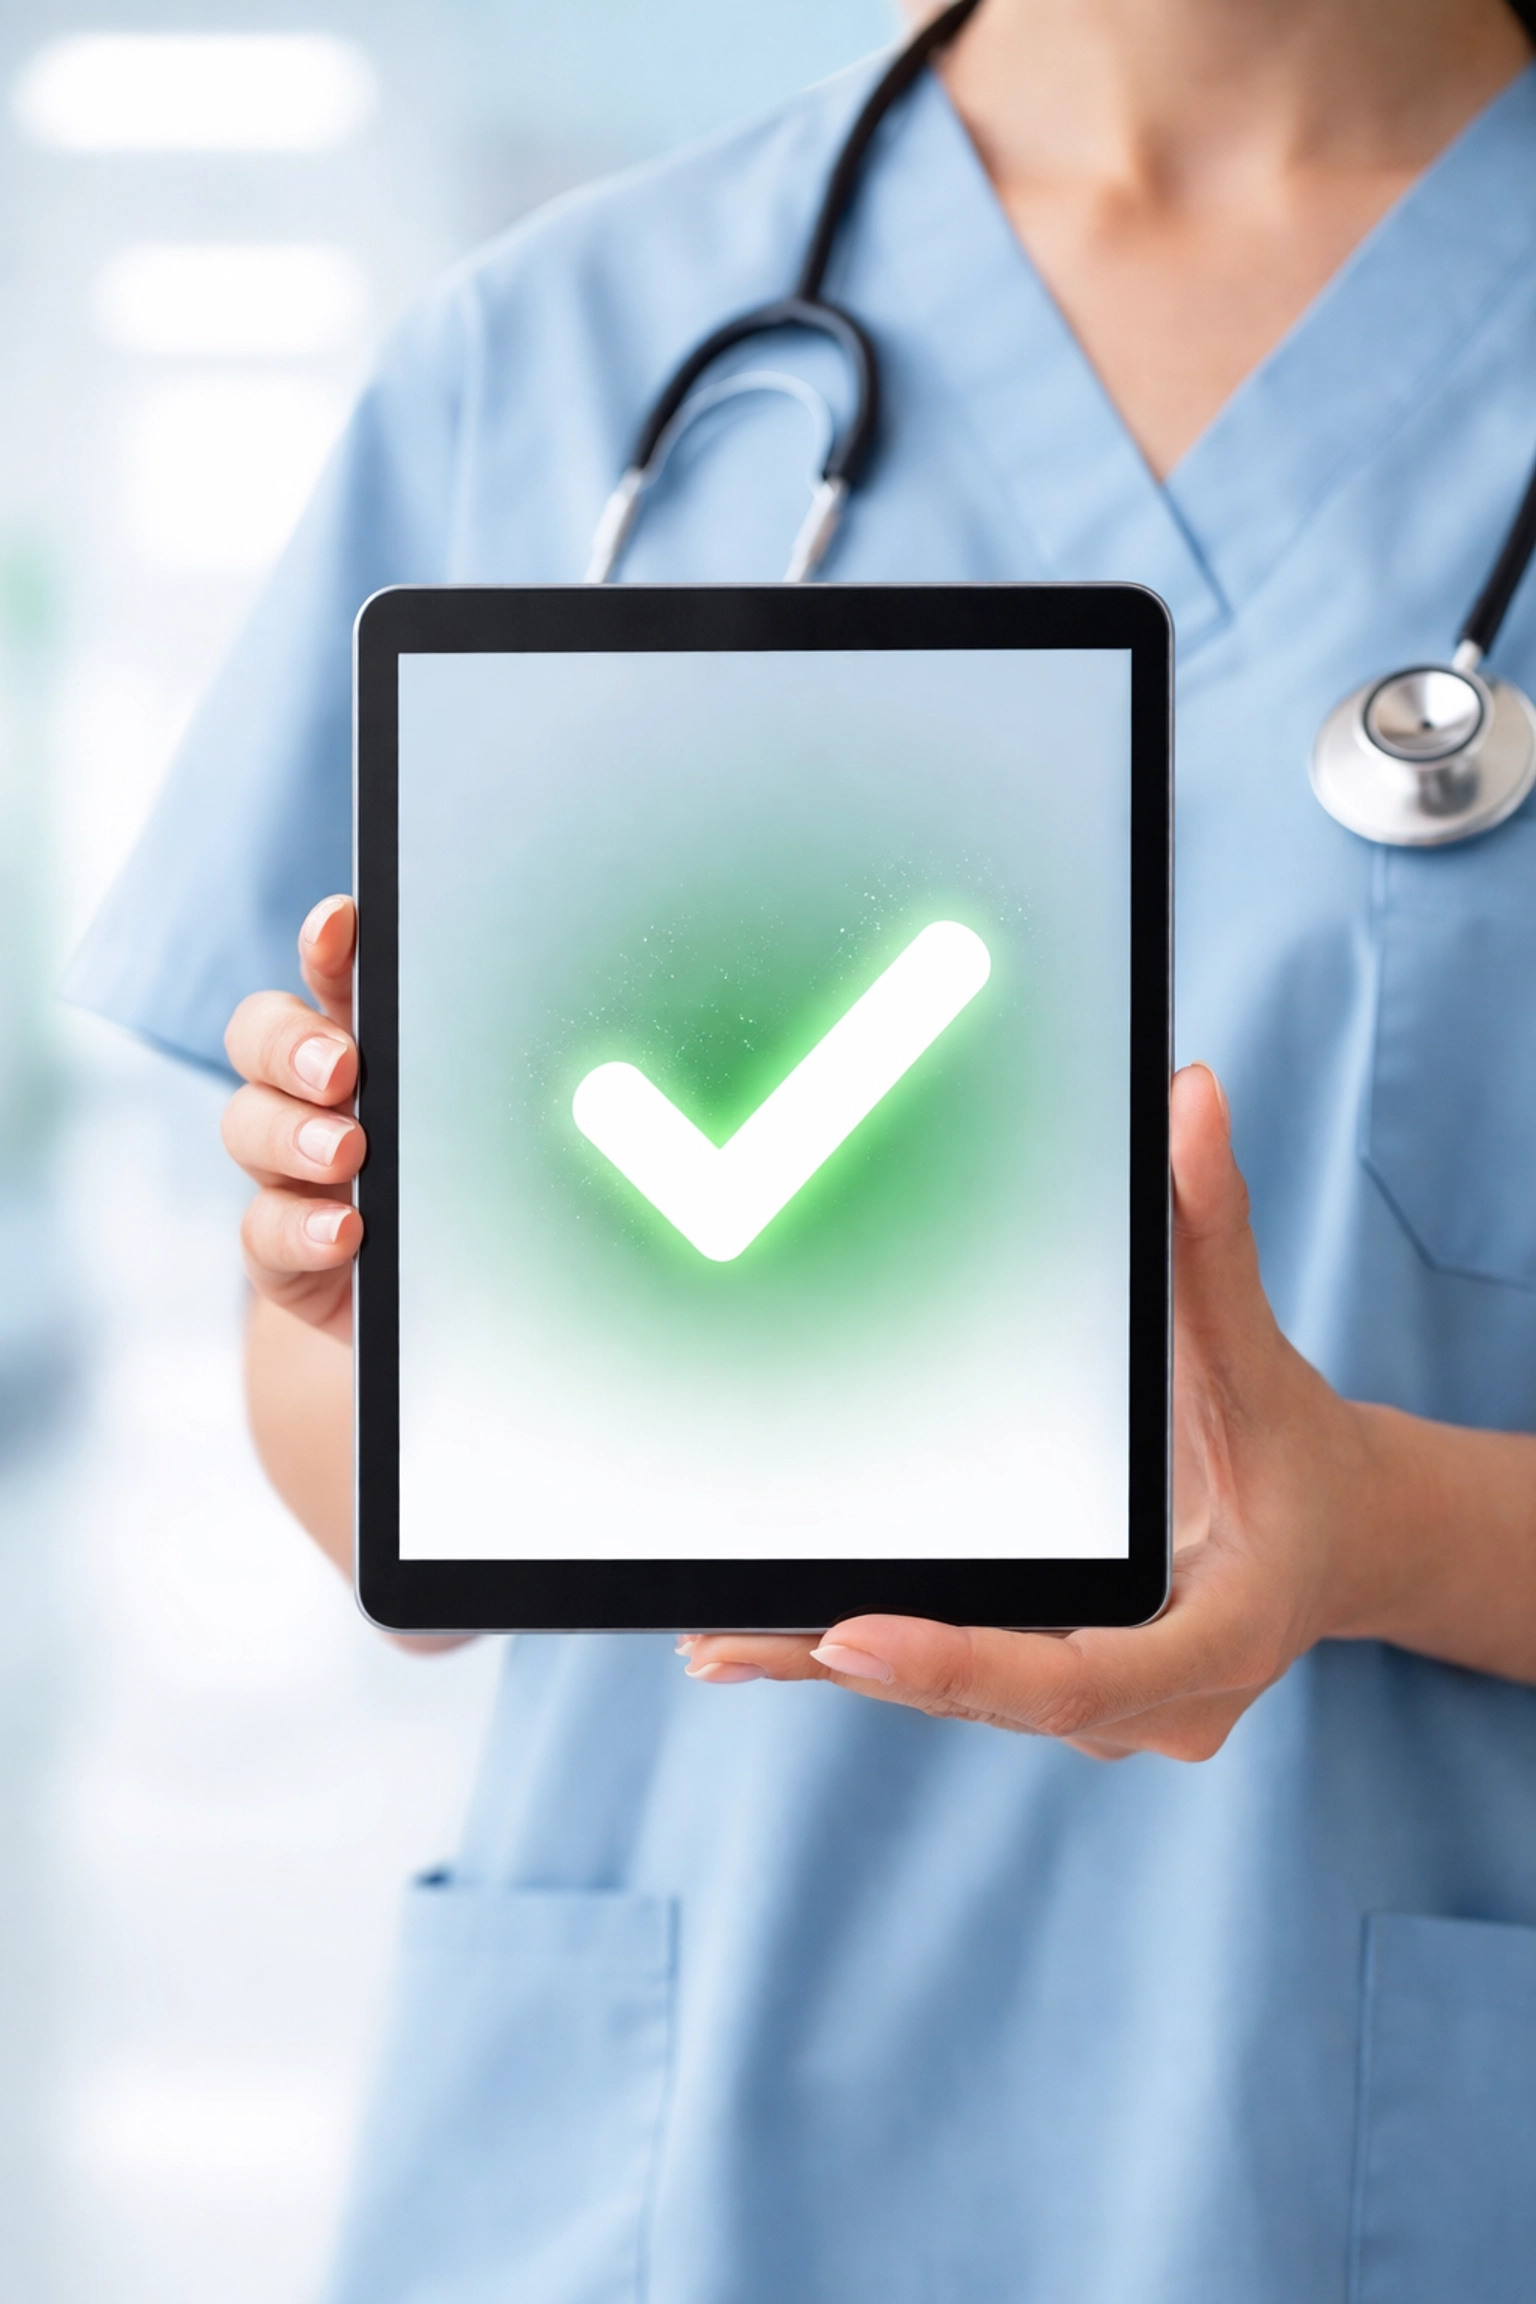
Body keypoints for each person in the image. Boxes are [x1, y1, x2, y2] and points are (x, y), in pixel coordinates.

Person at [67, 0, 1536, 2296]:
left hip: (1368, 2167)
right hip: (655, 2170)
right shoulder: (558, 349)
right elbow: (372, 1474)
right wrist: (365, 1331)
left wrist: (1381, 1529)